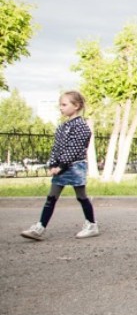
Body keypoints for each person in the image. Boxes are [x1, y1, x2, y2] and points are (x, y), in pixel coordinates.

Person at [20, 91, 99, 241]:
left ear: (76, 106)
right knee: (51, 197)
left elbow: (74, 149)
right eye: (60, 105)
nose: (60, 108)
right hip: (62, 167)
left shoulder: (81, 126)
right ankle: (40, 228)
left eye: (64, 104)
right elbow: (56, 147)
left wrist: (61, 166)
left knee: (81, 197)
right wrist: (52, 163)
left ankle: (92, 225)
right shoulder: (63, 126)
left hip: (75, 167)